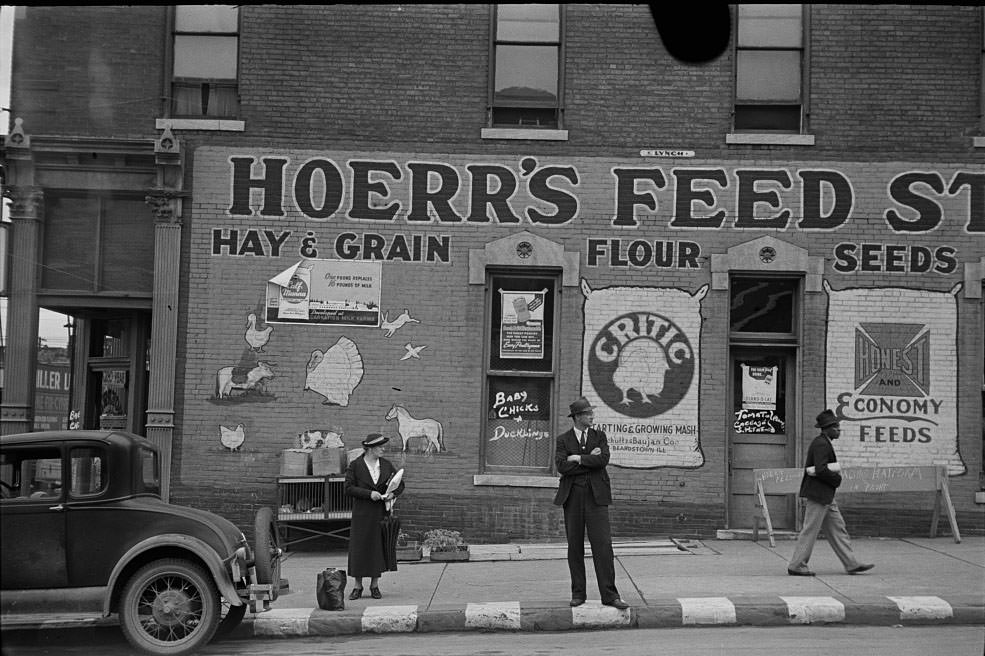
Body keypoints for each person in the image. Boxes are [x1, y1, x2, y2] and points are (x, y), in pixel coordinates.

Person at [553, 397, 629, 609]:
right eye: (588, 414)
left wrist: (576, 458)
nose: (592, 416)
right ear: (577, 417)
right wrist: (588, 459)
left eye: (591, 413)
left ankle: (610, 595)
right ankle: (578, 594)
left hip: (597, 497)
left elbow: (603, 460)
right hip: (573, 497)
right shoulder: (563, 440)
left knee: (603, 545)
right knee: (575, 546)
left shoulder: (599, 436)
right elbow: (561, 466)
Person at [787, 409, 874, 576]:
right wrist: (836, 480)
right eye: (835, 427)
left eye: (838, 427)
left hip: (825, 496)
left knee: (838, 528)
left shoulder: (823, 442)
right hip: (819, 495)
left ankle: (851, 563)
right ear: (826, 428)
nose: (838, 430)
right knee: (810, 530)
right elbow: (820, 469)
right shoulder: (821, 444)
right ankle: (797, 565)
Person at [344, 433, 405, 599]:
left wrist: (392, 494)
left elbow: (400, 484)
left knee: (377, 548)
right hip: (362, 513)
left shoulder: (386, 465)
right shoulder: (356, 465)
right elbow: (348, 488)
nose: (383, 449)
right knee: (360, 548)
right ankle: (357, 586)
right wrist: (369, 493)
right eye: (380, 446)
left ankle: (374, 585)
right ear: (370, 448)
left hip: (380, 513)